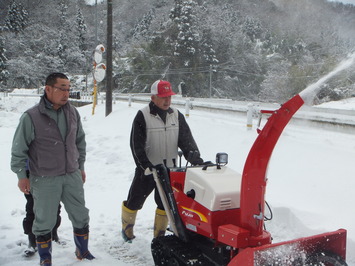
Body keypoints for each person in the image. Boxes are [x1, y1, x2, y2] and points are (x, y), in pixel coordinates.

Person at [11, 73, 94, 265]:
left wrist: (80, 166)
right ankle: (45, 258)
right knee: (44, 220)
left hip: (71, 174)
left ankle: (83, 252)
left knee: (80, 214)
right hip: (44, 177)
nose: (66, 93)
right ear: (48, 89)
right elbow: (19, 149)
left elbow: (79, 141)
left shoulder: (73, 112)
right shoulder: (31, 117)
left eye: (68, 88)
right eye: (62, 88)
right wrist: (21, 176)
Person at [121, 80, 205, 242]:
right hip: (147, 169)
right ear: (153, 98)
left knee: (165, 203)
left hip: (168, 170)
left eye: (169, 97)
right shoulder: (143, 116)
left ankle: (159, 235)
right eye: (163, 97)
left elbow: (187, 141)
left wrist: (196, 159)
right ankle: (127, 228)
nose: (167, 101)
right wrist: (145, 165)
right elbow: (136, 145)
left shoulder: (176, 115)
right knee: (135, 200)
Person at [23, 162, 62, 257]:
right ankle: (32, 241)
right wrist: (22, 176)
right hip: (31, 171)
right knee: (32, 207)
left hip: (54, 170)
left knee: (54, 204)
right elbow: (19, 153)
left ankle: (53, 234)